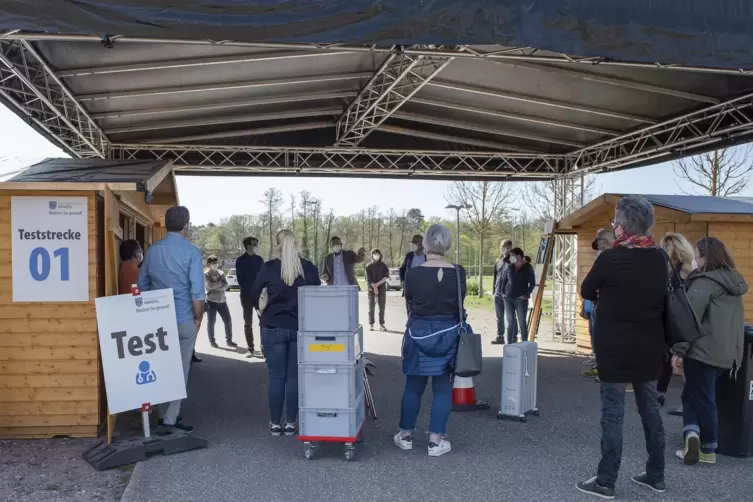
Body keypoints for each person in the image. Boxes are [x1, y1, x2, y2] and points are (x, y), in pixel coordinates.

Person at [577, 195, 667, 499]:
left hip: (614, 348)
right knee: (650, 410)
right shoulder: (659, 257)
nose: (613, 225)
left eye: (615, 220)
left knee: (613, 414)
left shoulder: (611, 258)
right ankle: (656, 474)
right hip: (650, 347)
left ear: (624, 224)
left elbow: (587, 290)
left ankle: (606, 480)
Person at [395, 224, 467, 458]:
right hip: (448, 334)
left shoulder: (413, 273)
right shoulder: (459, 272)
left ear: (424, 244)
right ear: (446, 244)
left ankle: (405, 435)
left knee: (413, 387)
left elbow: (411, 302)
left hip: (418, 334)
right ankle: (435, 441)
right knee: (443, 389)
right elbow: (460, 302)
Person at [676, 237, 747, 466]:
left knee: (697, 397)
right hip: (729, 354)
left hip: (703, 351)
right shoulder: (733, 283)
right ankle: (695, 437)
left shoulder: (704, 282)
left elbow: (690, 319)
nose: (694, 260)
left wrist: (678, 350)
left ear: (706, 257)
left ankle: (705, 444)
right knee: (703, 396)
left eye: (697, 255)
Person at [138, 206, 205, 433]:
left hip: (157, 320)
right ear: (186, 225)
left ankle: (156, 413)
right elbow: (197, 291)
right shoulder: (191, 251)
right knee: (180, 369)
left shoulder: (152, 251)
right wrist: (198, 318)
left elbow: (142, 285)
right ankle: (171, 417)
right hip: (183, 317)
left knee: (157, 366)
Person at [250, 230, 320, 436]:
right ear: (295, 244)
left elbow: (253, 293)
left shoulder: (269, 267)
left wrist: (261, 305)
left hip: (273, 326)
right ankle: (291, 423)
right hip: (299, 326)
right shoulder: (308, 268)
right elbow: (317, 295)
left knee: (276, 376)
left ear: (277, 245)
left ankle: (274, 423)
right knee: (293, 377)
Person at [658, 232, 695, 410]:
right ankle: (661, 392)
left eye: (666, 246)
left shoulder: (683, 267)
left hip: (678, 317)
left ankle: (686, 402)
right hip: (674, 316)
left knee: (679, 357)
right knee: (668, 355)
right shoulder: (672, 266)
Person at [582, 228, 616, 379]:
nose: (597, 245)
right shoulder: (602, 257)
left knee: (607, 339)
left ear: (607, 241)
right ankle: (600, 367)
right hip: (598, 302)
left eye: (599, 241)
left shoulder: (612, 258)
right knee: (597, 336)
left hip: (608, 306)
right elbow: (589, 284)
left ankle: (606, 371)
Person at [499, 247, 536, 344]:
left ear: (519, 256)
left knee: (522, 323)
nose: (511, 258)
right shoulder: (509, 267)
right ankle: (509, 345)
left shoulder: (527, 268)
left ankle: (524, 344)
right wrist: (503, 293)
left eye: (513, 256)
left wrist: (526, 294)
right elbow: (504, 280)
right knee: (510, 322)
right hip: (508, 298)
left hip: (521, 299)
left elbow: (532, 283)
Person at [236, 237, 265, 358]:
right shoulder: (240, 260)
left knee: (263, 322)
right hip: (246, 296)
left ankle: (264, 348)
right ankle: (250, 348)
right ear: (248, 245)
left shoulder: (259, 260)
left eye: (256, 244)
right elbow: (240, 279)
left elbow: (263, 276)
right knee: (248, 322)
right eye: (254, 244)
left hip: (259, 296)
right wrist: (250, 291)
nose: (256, 246)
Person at [204, 255, 237, 349]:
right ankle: (212, 341)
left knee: (228, 320)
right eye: (213, 263)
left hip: (222, 301)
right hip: (211, 301)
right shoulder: (206, 274)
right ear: (209, 264)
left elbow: (226, 285)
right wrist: (219, 284)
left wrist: (217, 286)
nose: (215, 265)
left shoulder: (221, 273)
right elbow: (209, 285)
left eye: (216, 263)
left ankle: (229, 340)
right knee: (211, 322)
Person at [491, 239, 513, 345]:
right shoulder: (498, 262)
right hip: (498, 293)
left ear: (510, 248)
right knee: (499, 317)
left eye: (506, 247)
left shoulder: (513, 261)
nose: (503, 249)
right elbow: (495, 277)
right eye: (501, 246)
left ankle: (512, 337)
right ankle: (500, 336)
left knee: (510, 316)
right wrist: (493, 292)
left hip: (508, 294)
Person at [399, 234, 426, 313]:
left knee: (422, 310)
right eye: (412, 242)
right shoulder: (409, 256)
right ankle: (410, 324)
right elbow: (402, 269)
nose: (412, 244)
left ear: (421, 244)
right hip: (410, 287)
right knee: (409, 309)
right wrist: (402, 281)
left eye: (415, 242)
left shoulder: (427, 256)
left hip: (424, 287)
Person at [364, 248, 389, 331]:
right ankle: (371, 324)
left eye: (377, 254)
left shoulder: (383, 266)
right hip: (371, 289)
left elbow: (385, 277)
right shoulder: (368, 266)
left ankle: (382, 324)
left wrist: (377, 285)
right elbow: (368, 279)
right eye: (374, 254)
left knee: (382, 306)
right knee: (371, 306)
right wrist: (374, 287)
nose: (376, 255)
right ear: (372, 255)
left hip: (381, 288)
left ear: (380, 255)